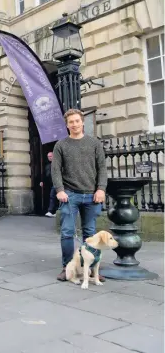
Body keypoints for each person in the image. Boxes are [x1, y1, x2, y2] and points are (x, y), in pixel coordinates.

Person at [52, 108, 107, 282]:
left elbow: (102, 168)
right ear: (67, 125)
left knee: (90, 233)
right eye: (71, 122)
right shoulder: (61, 145)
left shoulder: (94, 144)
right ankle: (67, 267)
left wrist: (101, 189)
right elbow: (56, 170)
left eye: (77, 121)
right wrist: (60, 190)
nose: (74, 124)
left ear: (82, 122)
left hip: (92, 195)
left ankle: (91, 269)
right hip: (70, 194)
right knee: (67, 232)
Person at [41, 152, 58, 217]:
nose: (49, 158)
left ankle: (52, 211)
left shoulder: (57, 163)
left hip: (57, 183)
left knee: (54, 196)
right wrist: (42, 181)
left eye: (50, 156)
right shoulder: (48, 165)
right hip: (50, 183)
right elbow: (45, 174)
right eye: (48, 156)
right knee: (52, 196)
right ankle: (52, 211)